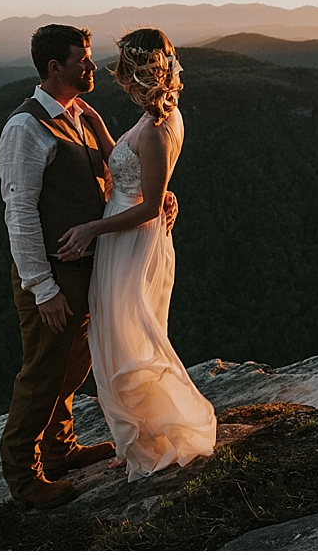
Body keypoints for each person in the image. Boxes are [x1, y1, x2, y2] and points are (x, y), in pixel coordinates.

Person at [0, 24, 177, 509]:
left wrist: (162, 196)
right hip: (53, 273)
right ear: (55, 67)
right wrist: (42, 287)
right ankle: (23, 472)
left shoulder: (79, 114)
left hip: (89, 267)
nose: (92, 67)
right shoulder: (25, 128)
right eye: (83, 60)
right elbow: (19, 213)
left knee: (74, 365)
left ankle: (58, 449)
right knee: (42, 372)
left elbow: (127, 171)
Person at [56, 28, 217, 481]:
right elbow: (128, 169)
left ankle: (150, 437)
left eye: (125, 71)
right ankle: (136, 436)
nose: (119, 78)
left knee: (127, 340)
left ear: (139, 73)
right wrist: (100, 128)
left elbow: (148, 204)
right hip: (123, 238)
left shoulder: (161, 129)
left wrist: (91, 228)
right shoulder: (156, 117)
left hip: (131, 241)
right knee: (116, 336)